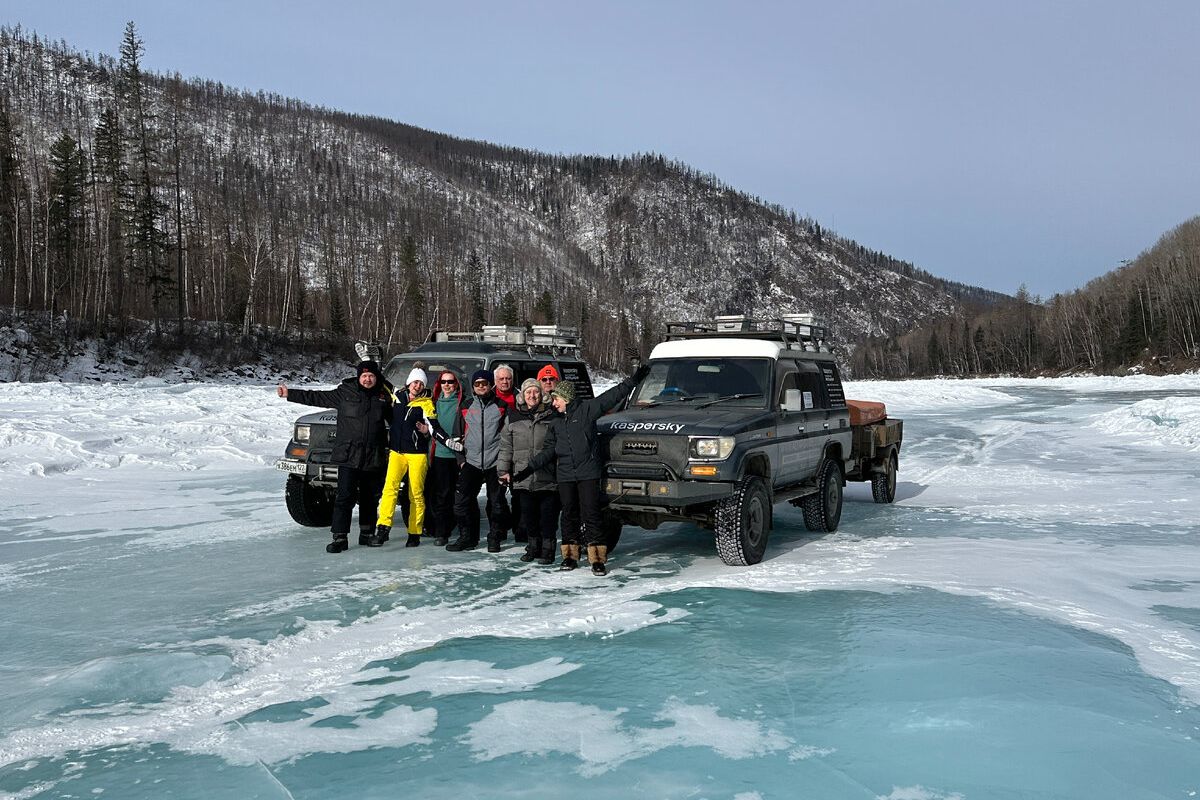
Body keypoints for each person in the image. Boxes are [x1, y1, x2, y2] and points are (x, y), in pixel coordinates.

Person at [514, 349, 646, 575]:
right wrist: (527, 470)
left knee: (591, 514)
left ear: (565, 398)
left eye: (556, 398)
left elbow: (613, 395)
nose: (553, 402)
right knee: (568, 515)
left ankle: (597, 559)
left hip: (587, 473)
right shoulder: (555, 422)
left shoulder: (587, 410)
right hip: (565, 475)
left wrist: (634, 379)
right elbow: (548, 451)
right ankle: (569, 557)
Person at [277, 359, 392, 553]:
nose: (367, 379)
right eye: (364, 375)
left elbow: (397, 420)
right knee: (344, 497)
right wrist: (290, 394)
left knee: (369, 498)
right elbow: (317, 398)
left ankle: (367, 533)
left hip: (373, 454)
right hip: (348, 454)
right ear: (359, 377)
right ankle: (339, 537)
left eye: (371, 376)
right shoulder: (345, 392)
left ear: (376, 377)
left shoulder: (384, 396)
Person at [372, 367, 458, 547]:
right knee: (390, 489)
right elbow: (380, 380)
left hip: (417, 454)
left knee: (416, 494)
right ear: (409, 382)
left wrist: (449, 442)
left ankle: (414, 532)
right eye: (415, 382)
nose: (417, 386)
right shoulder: (397, 397)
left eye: (421, 383)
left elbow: (434, 428)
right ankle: (383, 529)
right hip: (397, 452)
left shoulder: (426, 404)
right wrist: (368, 361)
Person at [445, 369, 510, 552]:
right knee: (462, 501)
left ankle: (494, 537)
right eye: (477, 384)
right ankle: (468, 537)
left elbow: (508, 436)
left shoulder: (501, 406)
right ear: (473, 387)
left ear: (491, 385)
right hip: (471, 461)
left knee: (496, 502)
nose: (481, 386)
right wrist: (461, 460)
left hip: (494, 461)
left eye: (484, 383)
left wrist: (504, 462)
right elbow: (456, 435)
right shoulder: (466, 406)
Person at [498, 379, 561, 565]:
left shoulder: (552, 415)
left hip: (547, 477)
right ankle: (533, 548)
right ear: (522, 396)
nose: (532, 396)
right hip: (522, 476)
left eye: (535, 392)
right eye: (528, 393)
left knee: (547, 518)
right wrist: (503, 470)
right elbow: (505, 446)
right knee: (529, 517)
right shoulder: (513, 416)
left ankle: (548, 550)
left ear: (542, 394)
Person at [427, 369, 464, 546]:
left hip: (459, 456)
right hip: (441, 455)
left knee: (458, 495)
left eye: (450, 382)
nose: (447, 385)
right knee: (441, 494)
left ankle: (461, 527)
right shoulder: (433, 403)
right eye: (444, 382)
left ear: (456, 384)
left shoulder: (462, 403)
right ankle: (441, 532)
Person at [491, 363, 519, 541]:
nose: (505, 382)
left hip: (518, 450)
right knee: (497, 495)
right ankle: (499, 529)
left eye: (508, 378)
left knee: (518, 493)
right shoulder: (489, 396)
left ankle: (520, 528)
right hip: (495, 452)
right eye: (501, 378)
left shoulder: (520, 397)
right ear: (495, 380)